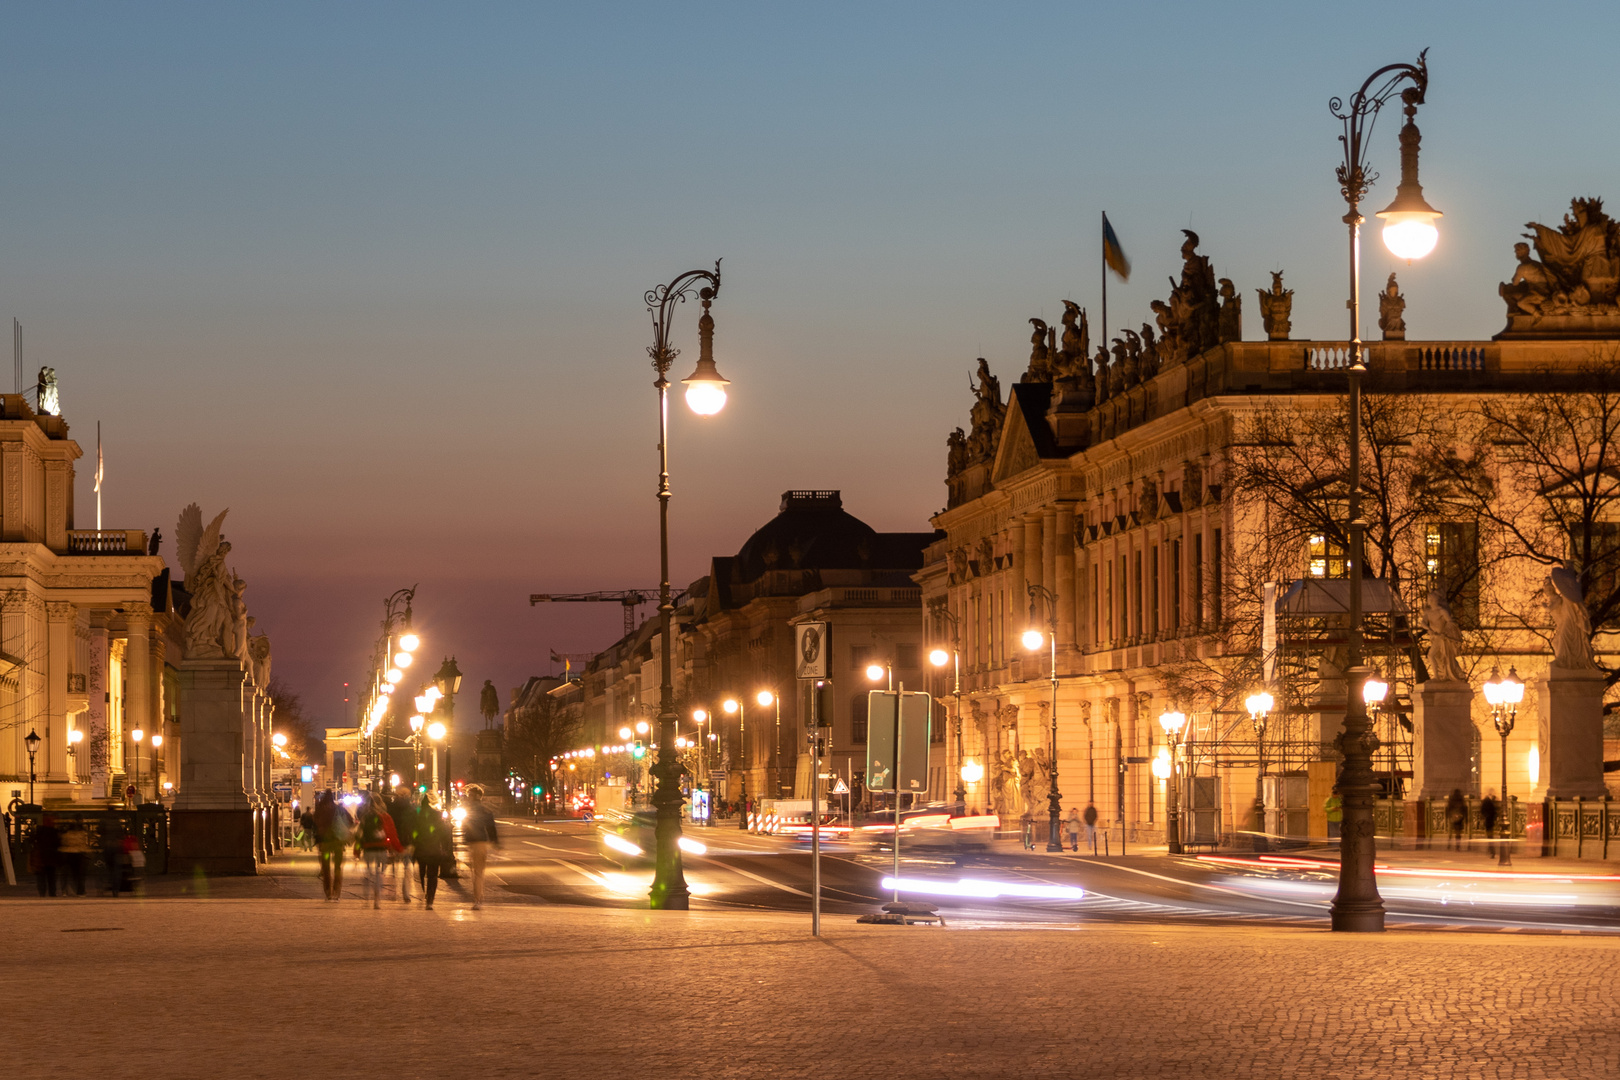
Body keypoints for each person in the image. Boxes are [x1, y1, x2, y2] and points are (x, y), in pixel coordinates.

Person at [356, 793, 401, 909]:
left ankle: (366, 898)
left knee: (368, 873)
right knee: (378, 874)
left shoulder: (365, 816)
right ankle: (377, 899)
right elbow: (392, 834)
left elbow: (359, 835)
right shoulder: (385, 816)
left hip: (368, 848)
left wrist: (357, 851)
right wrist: (397, 848)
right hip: (381, 848)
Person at [461, 785, 500, 909]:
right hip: (481, 843)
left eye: (469, 795)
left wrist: (465, 840)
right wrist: (495, 843)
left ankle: (477, 898)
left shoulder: (468, 810)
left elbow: (465, 827)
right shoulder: (485, 810)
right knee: (479, 872)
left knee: (475, 872)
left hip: (473, 843)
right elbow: (491, 828)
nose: (468, 798)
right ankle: (478, 898)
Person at [413, 795, 452, 910]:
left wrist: (414, 841)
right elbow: (444, 832)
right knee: (432, 874)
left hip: (420, 848)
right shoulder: (437, 815)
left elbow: (413, 831)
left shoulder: (417, 815)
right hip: (434, 848)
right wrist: (444, 847)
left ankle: (424, 891)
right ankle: (430, 899)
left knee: (421, 872)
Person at [314, 791, 353, 901]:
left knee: (326, 869)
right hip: (338, 842)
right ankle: (336, 892)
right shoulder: (339, 809)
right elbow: (350, 821)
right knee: (337, 867)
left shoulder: (320, 810)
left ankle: (328, 892)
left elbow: (314, 825)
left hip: (325, 843)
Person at [389, 789, 419, 904]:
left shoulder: (392, 808)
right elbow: (416, 826)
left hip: (394, 840)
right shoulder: (412, 809)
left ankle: (394, 890)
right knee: (408, 866)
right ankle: (406, 893)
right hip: (407, 841)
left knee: (393, 866)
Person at [58, 818, 89, 896]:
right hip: (79, 854)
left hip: (67, 854)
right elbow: (83, 844)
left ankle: (64, 891)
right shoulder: (82, 834)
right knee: (79, 874)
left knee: (65, 874)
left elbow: (63, 843)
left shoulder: (66, 834)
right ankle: (80, 891)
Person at [31, 815, 61, 897]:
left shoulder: (40, 831)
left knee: (41, 878)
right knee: (51, 878)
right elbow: (58, 844)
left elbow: (35, 842)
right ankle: (52, 893)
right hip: (51, 859)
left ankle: (42, 893)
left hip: (41, 858)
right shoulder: (54, 832)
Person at [1480, 790, 1500, 856]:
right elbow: (1494, 812)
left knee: (1490, 836)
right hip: (1490, 822)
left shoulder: (1486, 802)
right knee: (1490, 836)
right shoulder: (1490, 803)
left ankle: (1491, 850)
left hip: (1487, 822)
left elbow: (1482, 811)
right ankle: (1491, 850)